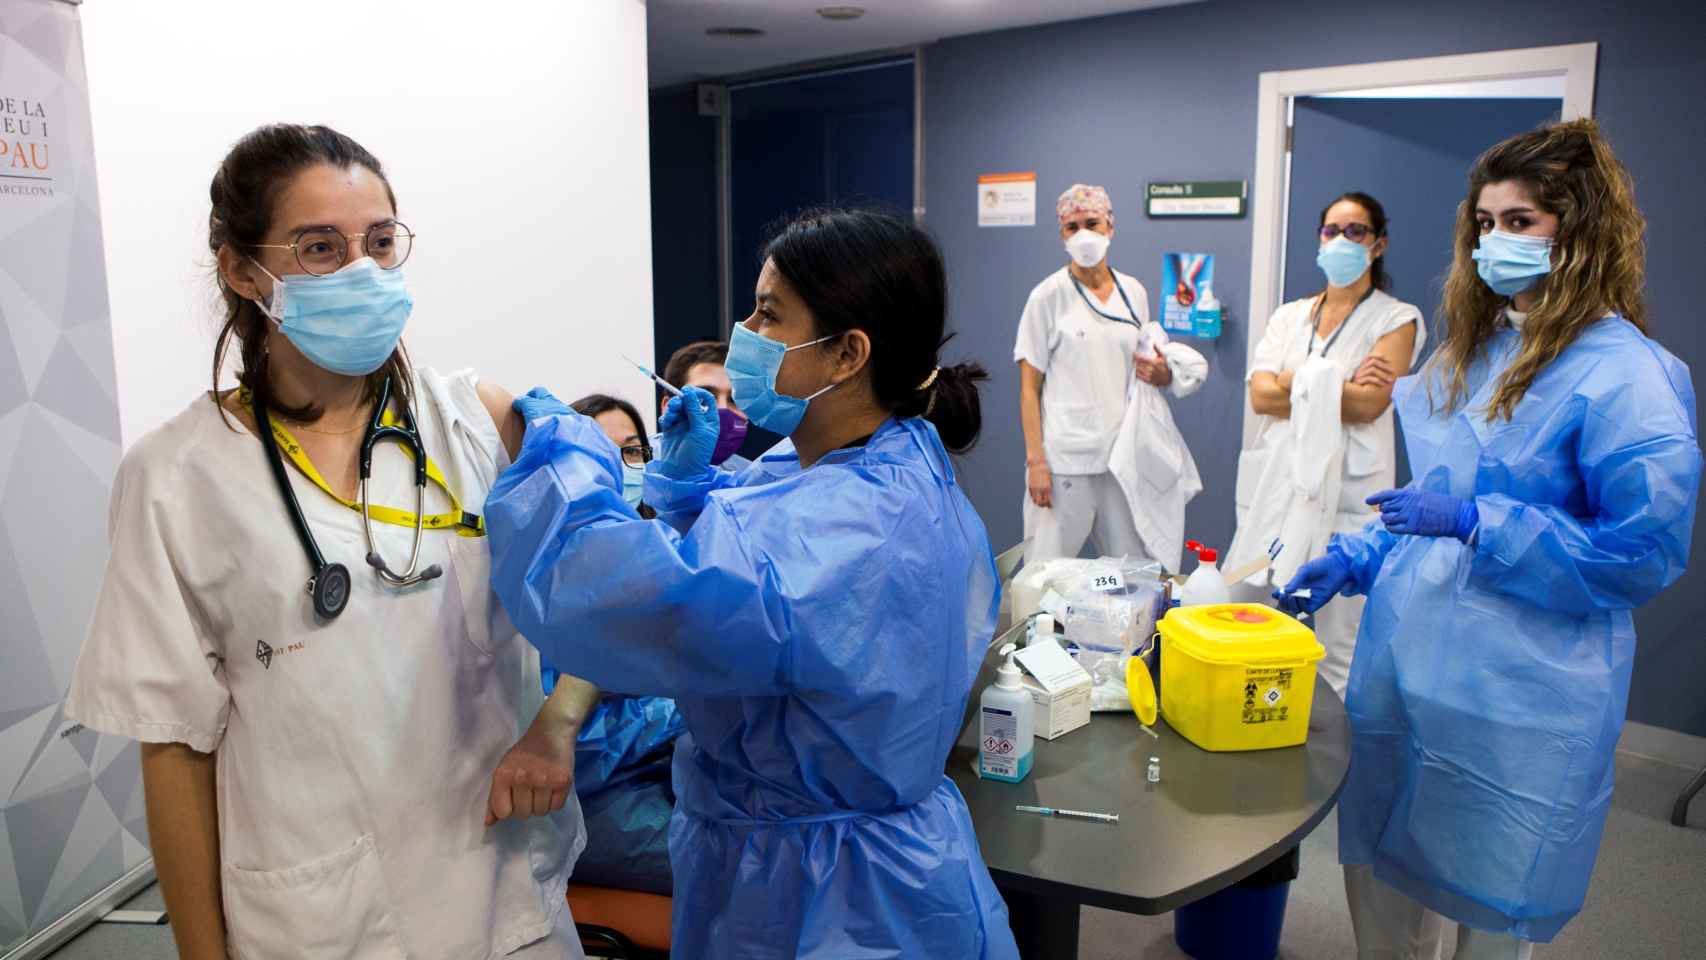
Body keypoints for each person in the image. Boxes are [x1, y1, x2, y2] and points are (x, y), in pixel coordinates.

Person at [62, 124, 591, 960]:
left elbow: (608, 588)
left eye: (381, 243)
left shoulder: (478, 421)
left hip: (506, 906)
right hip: (318, 921)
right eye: (319, 248)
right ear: (243, 271)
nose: (363, 272)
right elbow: (173, 747)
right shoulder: (174, 476)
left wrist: (558, 723)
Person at [486, 208, 1020, 959]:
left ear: (846, 354)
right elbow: (748, 548)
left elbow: (609, 598)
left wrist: (560, 450)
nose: (744, 331)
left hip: (827, 899)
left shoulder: (847, 528)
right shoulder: (885, 461)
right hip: (861, 867)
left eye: (769, 314)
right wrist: (680, 487)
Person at [1279, 120, 1701, 958]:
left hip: (1520, 699)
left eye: (1520, 222)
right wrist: (1360, 557)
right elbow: (1431, 506)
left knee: (1490, 910)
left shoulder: (1630, 377)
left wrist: (1482, 523)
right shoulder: (1470, 356)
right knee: (1382, 891)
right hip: (1409, 669)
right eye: (1484, 222)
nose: (1492, 241)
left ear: (1579, 231)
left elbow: (1639, 552)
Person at [1225, 191, 1424, 694]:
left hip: (1349, 500)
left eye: (1355, 231)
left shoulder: (1396, 318)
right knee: (1253, 615)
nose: (1340, 240)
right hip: (1277, 486)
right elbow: (1260, 395)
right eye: (1331, 230)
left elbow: (1368, 406)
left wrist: (1293, 378)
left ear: (1378, 245)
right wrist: (1330, 378)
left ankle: (1337, 760)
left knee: (1339, 643)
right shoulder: (1289, 316)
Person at [1017, 183, 1207, 572]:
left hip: (1122, 458)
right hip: (1064, 459)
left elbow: (1141, 362)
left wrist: (1161, 372)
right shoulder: (1047, 297)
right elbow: (1028, 388)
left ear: (1110, 227)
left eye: (1092, 222)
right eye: (1072, 227)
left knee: (1132, 571)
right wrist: (1036, 461)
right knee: (1044, 573)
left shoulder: (1133, 291)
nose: (1083, 234)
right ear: (1062, 235)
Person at [543, 392, 682, 896]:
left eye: (634, 450)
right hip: (594, 797)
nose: (624, 465)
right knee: (728, 861)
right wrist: (673, 713)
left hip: (672, 766)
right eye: (602, 450)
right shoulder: (544, 574)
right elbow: (571, 749)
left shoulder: (661, 546)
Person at [659, 339, 752, 468]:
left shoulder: (752, 479)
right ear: (668, 407)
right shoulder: (634, 473)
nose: (722, 409)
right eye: (703, 396)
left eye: (734, 400)